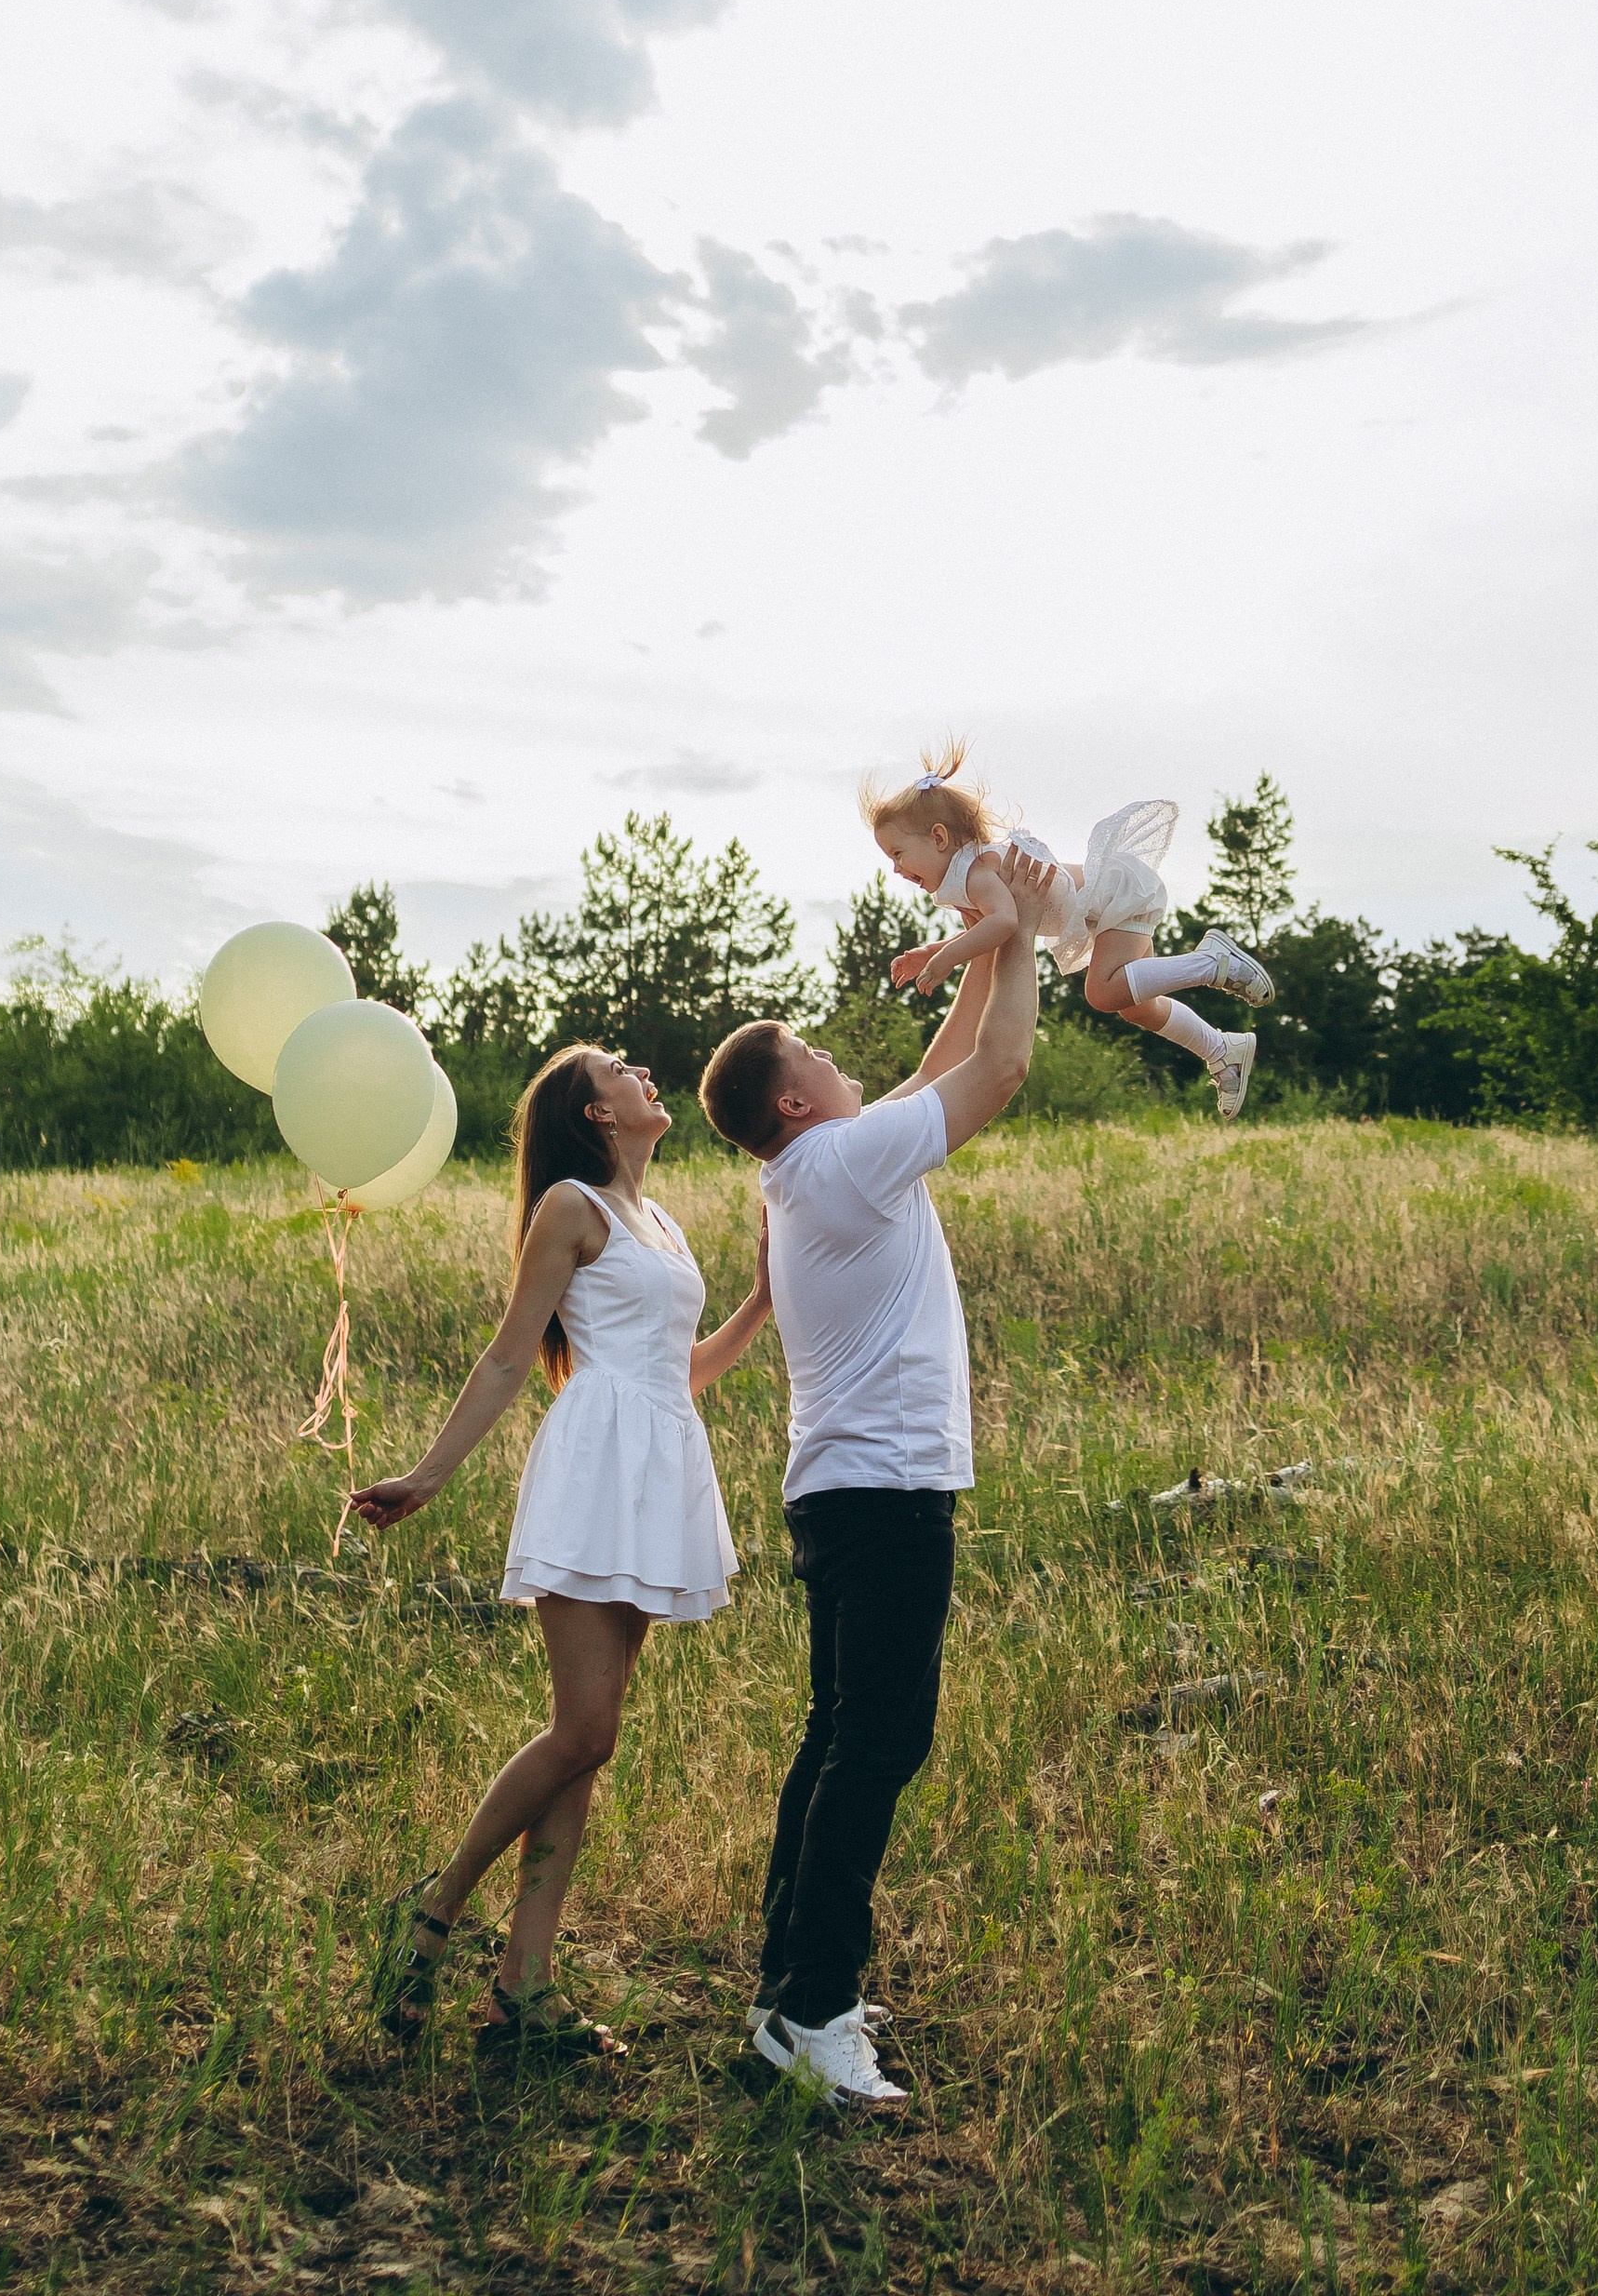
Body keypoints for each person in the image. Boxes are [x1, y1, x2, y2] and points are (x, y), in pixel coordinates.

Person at [697, 840, 1055, 2108]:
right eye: (817, 1057)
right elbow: (1001, 1068)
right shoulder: (844, 1161)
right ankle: (814, 2010)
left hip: (840, 1489)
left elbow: (938, 1071)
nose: (842, 1064)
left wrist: (991, 940)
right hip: (886, 1490)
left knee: (836, 1738)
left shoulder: (810, 1167)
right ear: (795, 1101)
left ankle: (786, 1987)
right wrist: (1007, 938)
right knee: (880, 1742)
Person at [348, 1044, 772, 2051]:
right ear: (593, 1113)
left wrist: (760, 1299)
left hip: (659, 1466)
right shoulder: (572, 1208)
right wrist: (431, 1474)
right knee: (583, 1734)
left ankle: (522, 1990)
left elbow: (682, 1369)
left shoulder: (659, 1222)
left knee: (592, 1742)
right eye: (622, 1069)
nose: (644, 1073)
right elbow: (509, 1353)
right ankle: (432, 1912)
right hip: (596, 1466)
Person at [863, 739, 1273, 1120]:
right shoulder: (963, 879)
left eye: (898, 854)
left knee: (1103, 992)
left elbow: (1005, 923)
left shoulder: (977, 870)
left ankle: (1210, 963)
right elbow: (990, 926)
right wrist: (933, 951)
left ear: (938, 838)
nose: (897, 869)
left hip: (1116, 894)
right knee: (1135, 1005)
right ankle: (1221, 1049)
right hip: (1108, 906)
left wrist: (947, 959)